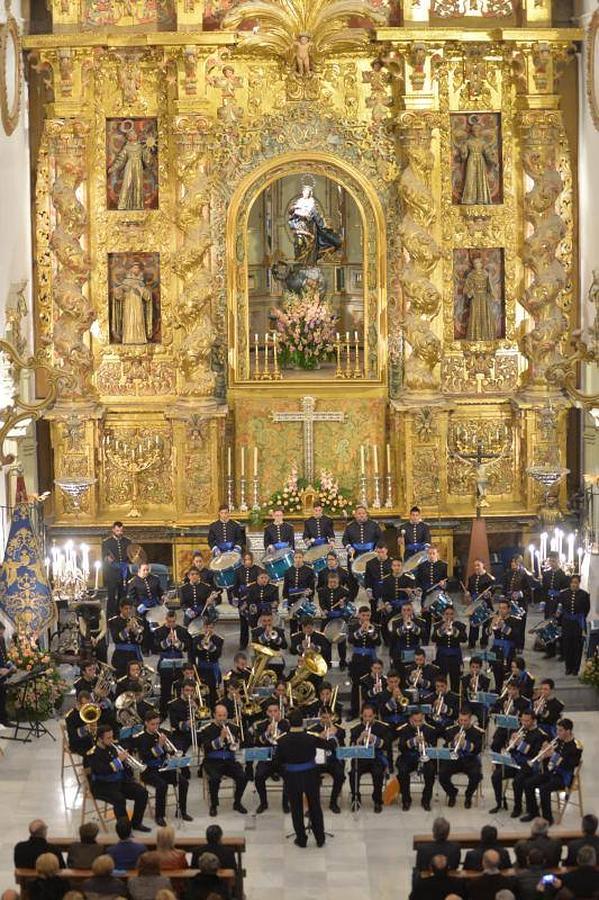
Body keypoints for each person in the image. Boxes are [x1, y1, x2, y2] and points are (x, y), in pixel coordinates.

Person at [273, 707, 331, 848]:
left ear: (289, 723)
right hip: (311, 775)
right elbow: (329, 746)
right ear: (302, 723)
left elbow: (276, 763)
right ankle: (320, 838)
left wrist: (285, 773)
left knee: (296, 808)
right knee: (315, 806)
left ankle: (301, 839)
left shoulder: (281, 740)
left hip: (292, 777)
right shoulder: (311, 737)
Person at [86, 725, 150, 832]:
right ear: (100, 739)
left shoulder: (113, 747)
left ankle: (136, 823)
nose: (112, 740)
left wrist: (127, 762)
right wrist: (119, 760)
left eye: (112, 737)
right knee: (119, 799)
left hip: (119, 782)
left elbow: (122, 768)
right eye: (108, 738)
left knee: (142, 792)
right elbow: (102, 770)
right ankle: (125, 830)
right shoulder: (93, 753)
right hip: (102, 786)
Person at [135, 711, 192, 826]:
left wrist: (170, 750)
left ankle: (181, 811)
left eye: (157, 724)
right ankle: (159, 816)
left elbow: (171, 750)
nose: (156, 727)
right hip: (149, 770)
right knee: (162, 785)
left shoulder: (162, 733)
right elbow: (146, 756)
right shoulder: (141, 738)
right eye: (152, 724)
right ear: (146, 723)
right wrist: (160, 746)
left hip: (163, 767)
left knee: (183, 782)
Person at [521, 718, 583, 824]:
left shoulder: (576, 747)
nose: (557, 733)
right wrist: (544, 754)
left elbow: (571, 765)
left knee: (544, 789)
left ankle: (547, 819)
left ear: (568, 731)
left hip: (564, 777)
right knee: (528, 783)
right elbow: (550, 759)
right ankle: (533, 812)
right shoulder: (558, 741)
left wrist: (553, 756)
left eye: (560, 730)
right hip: (552, 772)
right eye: (557, 730)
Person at [490, 710, 545, 817]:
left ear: (534, 721)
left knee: (517, 782)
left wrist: (520, 744)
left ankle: (517, 808)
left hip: (529, 765)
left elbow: (535, 754)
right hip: (515, 762)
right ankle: (500, 802)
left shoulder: (540, 735)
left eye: (527, 721)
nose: (524, 723)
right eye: (522, 720)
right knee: (496, 775)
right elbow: (511, 750)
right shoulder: (519, 730)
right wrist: (512, 743)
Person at [200, 703, 248, 816]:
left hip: (229, 760)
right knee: (215, 779)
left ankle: (237, 802)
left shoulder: (234, 728)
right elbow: (206, 748)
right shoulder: (206, 730)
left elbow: (237, 746)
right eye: (219, 715)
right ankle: (214, 805)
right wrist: (221, 738)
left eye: (224, 715)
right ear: (214, 715)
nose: (222, 718)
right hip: (212, 761)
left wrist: (236, 743)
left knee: (243, 777)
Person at [438, 708, 483, 808]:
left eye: (465, 720)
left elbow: (478, 750)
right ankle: (452, 793)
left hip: (470, 760)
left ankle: (468, 795)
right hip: (454, 758)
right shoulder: (451, 730)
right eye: (460, 720)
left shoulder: (477, 732)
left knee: (476, 775)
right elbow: (446, 747)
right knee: (442, 774)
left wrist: (465, 744)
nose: (462, 723)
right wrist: (454, 743)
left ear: (470, 720)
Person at [252, 700, 290, 813]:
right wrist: (267, 733)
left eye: (275, 711)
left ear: (279, 712)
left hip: (282, 758)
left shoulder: (286, 724)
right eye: (270, 711)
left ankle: (285, 803)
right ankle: (263, 803)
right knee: (258, 777)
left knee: (289, 775)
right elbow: (257, 743)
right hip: (267, 758)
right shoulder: (261, 725)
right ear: (267, 713)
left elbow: (290, 742)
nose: (273, 714)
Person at [349, 703, 388, 813]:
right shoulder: (355, 729)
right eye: (365, 716)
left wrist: (374, 739)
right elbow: (352, 746)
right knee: (353, 774)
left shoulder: (382, 728)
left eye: (370, 716)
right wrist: (359, 739)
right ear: (361, 715)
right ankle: (356, 798)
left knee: (378, 773)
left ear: (374, 716)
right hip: (360, 759)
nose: (367, 719)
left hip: (376, 758)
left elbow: (386, 745)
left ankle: (377, 800)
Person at [396, 709, 437, 811]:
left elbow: (433, 747)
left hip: (424, 757)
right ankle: (406, 800)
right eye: (415, 721)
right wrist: (413, 741)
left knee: (431, 771)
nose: (418, 723)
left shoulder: (430, 729)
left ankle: (426, 800)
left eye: (420, 720)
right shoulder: (404, 729)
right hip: (408, 757)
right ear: (410, 719)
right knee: (402, 771)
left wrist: (425, 744)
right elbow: (401, 747)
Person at [308, 706, 346, 813]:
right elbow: (309, 746)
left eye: (328, 717)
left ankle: (333, 803)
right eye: (324, 717)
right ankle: (314, 806)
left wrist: (334, 735)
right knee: (311, 777)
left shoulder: (340, 730)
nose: (326, 720)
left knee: (340, 776)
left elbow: (340, 747)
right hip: (317, 761)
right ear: (320, 717)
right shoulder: (312, 729)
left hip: (333, 760)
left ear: (332, 717)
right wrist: (321, 736)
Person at [153, 610, 191, 719]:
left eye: (173, 622)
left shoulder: (182, 631)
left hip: (179, 663)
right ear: (166, 619)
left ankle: (179, 714)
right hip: (165, 663)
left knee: (180, 689)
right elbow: (156, 647)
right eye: (169, 622)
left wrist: (178, 643)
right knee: (165, 691)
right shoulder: (159, 631)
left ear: (176, 619)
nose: (171, 624)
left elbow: (187, 647)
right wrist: (167, 641)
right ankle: (163, 714)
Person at [348, 607, 381, 717]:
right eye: (363, 615)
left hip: (370, 660)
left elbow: (378, 642)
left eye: (367, 615)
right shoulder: (353, 626)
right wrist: (361, 630)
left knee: (370, 684)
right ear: (359, 615)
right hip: (357, 660)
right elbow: (351, 640)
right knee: (355, 685)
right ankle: (354, 711)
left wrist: (371, 633)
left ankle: (370, 712)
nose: (366, 618)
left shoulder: (375, 627)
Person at [557, 575, 590, 675]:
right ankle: (568, 667)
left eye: (576, 582)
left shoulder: (584, 595)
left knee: (577, 646)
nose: (574, 584)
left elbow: (586, 609)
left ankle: (576, 668)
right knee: (567, 645)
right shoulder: (563, 594)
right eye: (572, 582)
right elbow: (561, 608)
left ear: (579, 583)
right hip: (567, 623)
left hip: (578, 623)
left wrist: (578, 617)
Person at [416, 546, 448, 644]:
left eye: (433, 553)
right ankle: (425, 640)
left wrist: (444, 584)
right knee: (426, 617)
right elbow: (418, 581)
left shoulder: (443, 565)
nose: (431, 555)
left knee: (438, 617)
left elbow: (448, 580)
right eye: (429, 553)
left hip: (438, 594)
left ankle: (438, 638)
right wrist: (419, 588)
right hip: (426, 594)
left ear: (437, 554)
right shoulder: (422, 566)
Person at [432, 606, 467, 693]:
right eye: (447, 614)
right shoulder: (438, 625)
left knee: (455, 679)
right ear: (443, 615)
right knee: (441, 679)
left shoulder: (460, 625)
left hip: (455, 656)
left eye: (451, 614)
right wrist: (442, 629)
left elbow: (464, 639)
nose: (449, 616)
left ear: (454, 615)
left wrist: (454, 630)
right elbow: (433, 639)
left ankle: (454, 698)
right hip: (442, 656)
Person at [232, 552, 262, 649]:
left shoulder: (258, 569)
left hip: (254, 600)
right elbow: (235, 586)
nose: (247, 561)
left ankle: (256, 642)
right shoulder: (238, 571)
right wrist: (236, 597)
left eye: (249, 559)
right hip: (242, 601)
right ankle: (243, 643)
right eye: (245, 560)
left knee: (255, 622)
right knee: (243, 623)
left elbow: (261, 583)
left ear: (252, 560)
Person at [102, 521, 131, 618]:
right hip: (112, 573)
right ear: (113, 530)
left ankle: (122, 615)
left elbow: (131, 556)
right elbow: (104, 557)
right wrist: (108, 559)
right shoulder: (107, 542)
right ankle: (111, 616)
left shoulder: (128, 541)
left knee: (122, 595)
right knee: (111, 596)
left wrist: (127, 564)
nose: (120, 533)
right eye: (118, 530)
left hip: (124, 572)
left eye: (121, 530)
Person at [191, 620, 224, 707]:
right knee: (202, 689)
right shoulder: (197, 639)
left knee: (213, 689)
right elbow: (193, 653)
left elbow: (218, 655)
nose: (208, 630)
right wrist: (201, 646)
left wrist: (211, 646)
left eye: (211, 627)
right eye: (206, 627)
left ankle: (213, 708)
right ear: (203, 627)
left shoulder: (218, 639)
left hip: (213, 668)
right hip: (201, 668)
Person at [108, 600, 144, 677]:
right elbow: (116, 639)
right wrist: (127, 628)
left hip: (134, 655)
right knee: (121, 678)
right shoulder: (114, 621)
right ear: (120, 609)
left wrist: (136, 632)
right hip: (120, 655)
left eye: (130, 609)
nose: (128, 611)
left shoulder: (139, 621)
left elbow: (141, 641)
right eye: (126, 609)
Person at [465, 558, 496, 648]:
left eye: (478, 565)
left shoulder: (489, 578)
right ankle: (472, 642)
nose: (476, 567)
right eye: (475, 566)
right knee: (473, 623)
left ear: (483, 565)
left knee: (486, 624)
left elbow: (493, 591)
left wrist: (488, 594)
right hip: (475, 603)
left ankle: (484, 642)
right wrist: (468, 593)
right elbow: (469, 589)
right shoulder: (471, 578)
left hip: (486, 604)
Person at [364, 543, 392, 617]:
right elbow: (367, 578)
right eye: (378, 552)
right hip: (375, 590)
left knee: (388, 613)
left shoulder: (392, 562)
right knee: (375, 613)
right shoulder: (370, 563)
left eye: (382, 552)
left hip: (388, 590)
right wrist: (368, 589)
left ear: (386, 551)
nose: (380, 554)